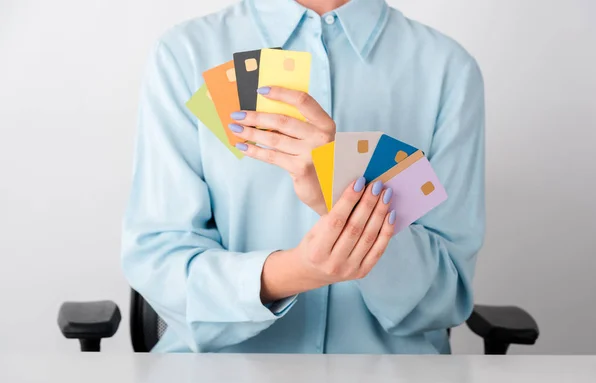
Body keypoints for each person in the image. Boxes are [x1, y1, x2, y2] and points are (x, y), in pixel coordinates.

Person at [122, 0, 485, 354]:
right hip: (218, 381)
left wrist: (339, 190)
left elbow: (447, 298)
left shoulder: (448, 70)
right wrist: (297, 271)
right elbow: (159, 260)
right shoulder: (186, 54)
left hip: (392, 382)